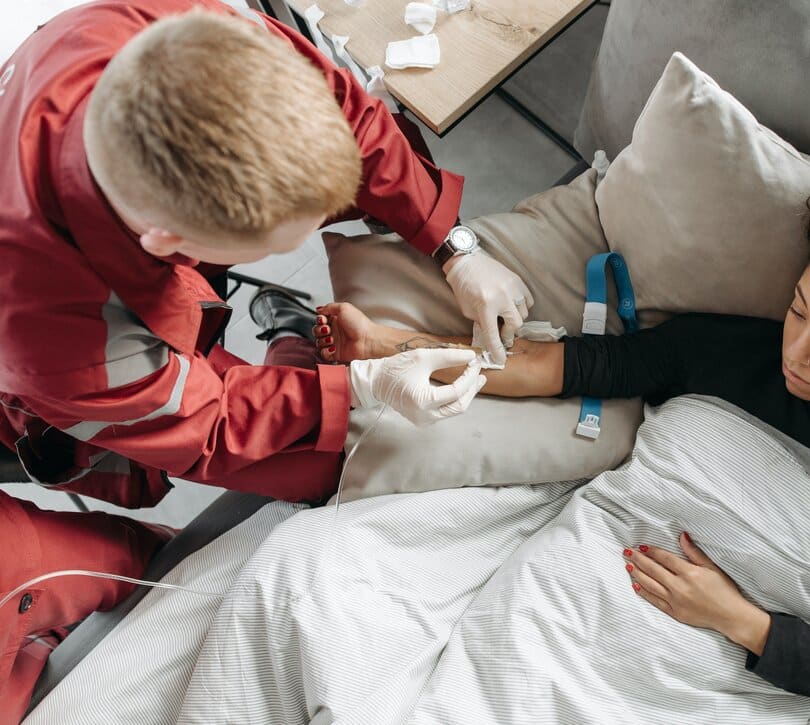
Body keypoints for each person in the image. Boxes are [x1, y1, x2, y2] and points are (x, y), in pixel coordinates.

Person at [312, 117, 810, 707]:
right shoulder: (725, 348)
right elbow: (564, 366)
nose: (798, 352)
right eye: (798, 310)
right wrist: (395, 343)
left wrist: (737, 617)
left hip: (692, 668)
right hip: (574, 589)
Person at [0, 0, 522, 715]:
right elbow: (207, 423)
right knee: (323, 467)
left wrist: (453, 246)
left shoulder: (189, 37)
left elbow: (348, 118)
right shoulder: (64, 346)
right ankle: (291, 339)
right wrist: (363, 388)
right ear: (170, 245)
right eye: (280, 246)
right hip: (89, 383)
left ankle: (290, 339)